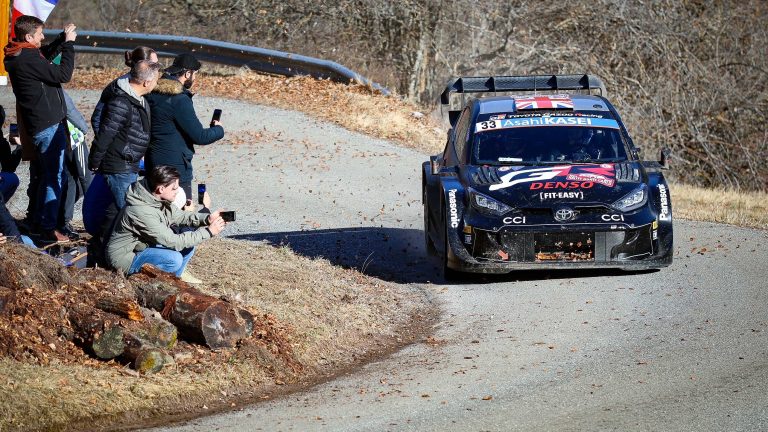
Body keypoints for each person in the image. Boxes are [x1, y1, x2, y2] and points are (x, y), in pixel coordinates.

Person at [3, 16, 77, 243]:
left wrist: (61, 39)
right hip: (47, 126)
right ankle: (47, 228)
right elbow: (63, 74)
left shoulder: (20, 54)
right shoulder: (28, 58)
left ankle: (36, 221)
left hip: (38, 125)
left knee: (42, 175)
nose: (43, 37)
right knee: (54, 177)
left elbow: (44, 54)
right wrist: (69, 45)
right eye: (39, 34)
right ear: (28, 37)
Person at [106, 165, 227, 276]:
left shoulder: (154, 198)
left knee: (188, 248)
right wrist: (208, 232)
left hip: (140, 247)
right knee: (174, 260)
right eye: (174, 188)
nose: (177, 191)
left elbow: (180, 216)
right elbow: (173, 241)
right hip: (124, 259)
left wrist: (207, 218)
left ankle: (174, 283)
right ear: (161, 189)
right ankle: (152, 286)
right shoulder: (140, 211)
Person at [145, 52, 224, 202]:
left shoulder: (152, 93)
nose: (195, 78)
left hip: (152, 163)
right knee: (182, 211)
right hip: (175, 169)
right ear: (188, 73)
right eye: (195, 74)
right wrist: (219, 130)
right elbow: (200, 136)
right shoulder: (179, 99)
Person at [92, 46, 158, 134]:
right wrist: (104, 139)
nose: (157, 68)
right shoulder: (117, 87)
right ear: (142, 65)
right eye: (154, 65)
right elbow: (97, 118)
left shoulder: (151, 85)